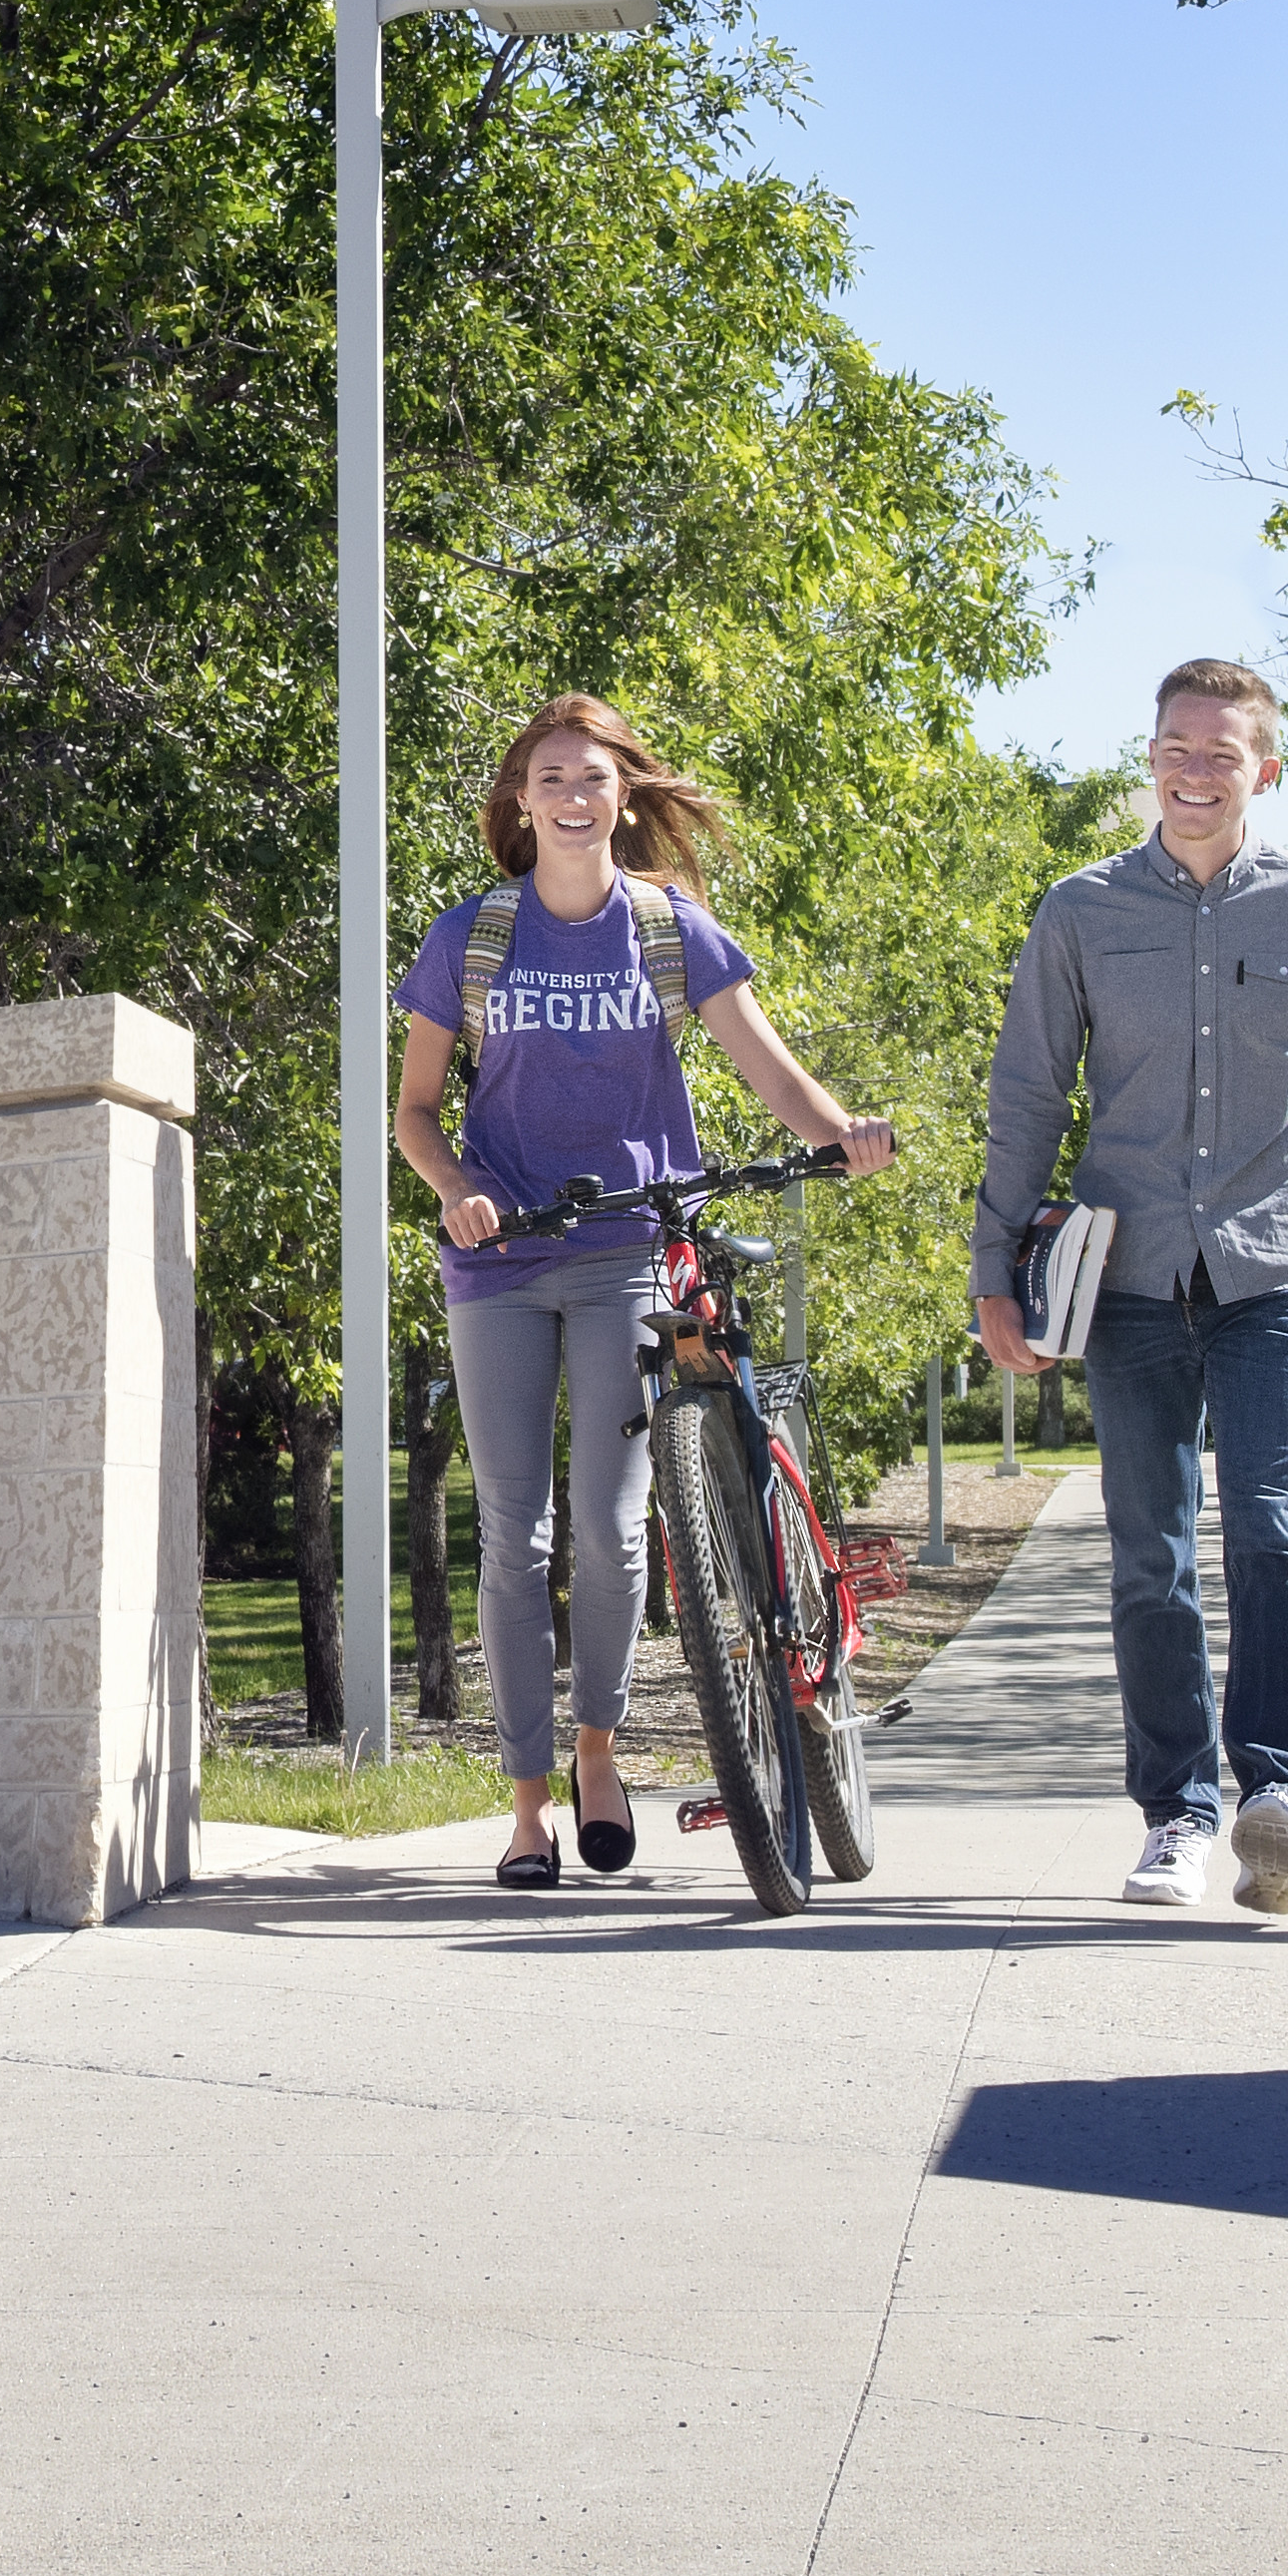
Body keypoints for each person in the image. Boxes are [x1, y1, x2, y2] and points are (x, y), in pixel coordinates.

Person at [396, 693, 900, 1892]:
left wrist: (846, 1132)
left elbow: (770, 1069)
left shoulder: (671, 931)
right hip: (501, 1258)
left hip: (630, 1248)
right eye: (550, 778)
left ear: (624, 793)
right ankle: (526, 1808)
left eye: (592, 776)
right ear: (522, 803)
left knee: (615, 1531)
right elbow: (412, 1113)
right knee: (514, 1539)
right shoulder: (470, 936)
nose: (572, 796)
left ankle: (599, 1753)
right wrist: (458, 1187)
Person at [971, 657, 1288, 1916]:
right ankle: (1176, 1812)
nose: (1194, 770)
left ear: (1263, 770)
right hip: (1124, 1274)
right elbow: (1025, 1095)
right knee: (1149, 1554)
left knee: (1275, 1527)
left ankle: (1278, 1796)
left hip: (1272, 1268)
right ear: (1150, 757)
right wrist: (992, 1270)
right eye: (1176, 745)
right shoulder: (1079, 909)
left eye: (1222, 752)